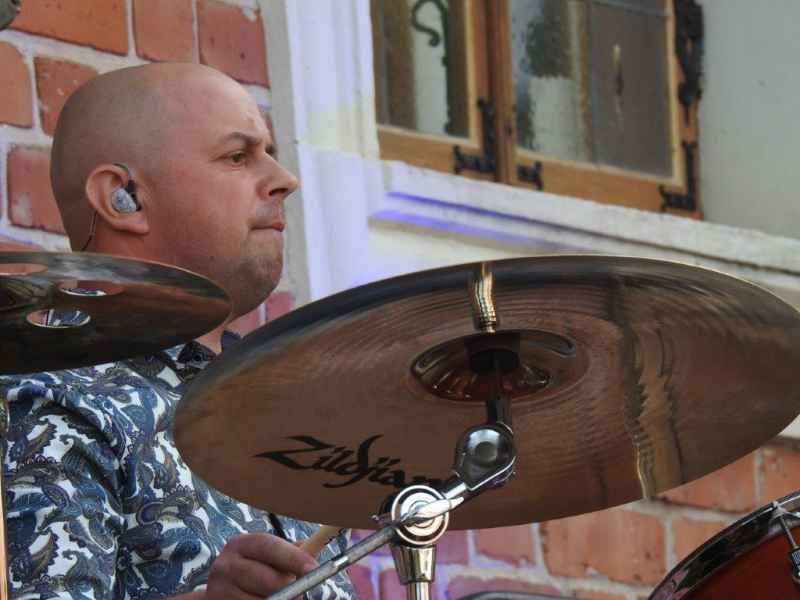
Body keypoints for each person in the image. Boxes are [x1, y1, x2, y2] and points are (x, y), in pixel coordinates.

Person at [1, 63, 356, 600]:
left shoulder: (281, 409)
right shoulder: (51, 401)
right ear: (124, 197)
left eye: (270, 152)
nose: (286, 178)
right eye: (237, 156)